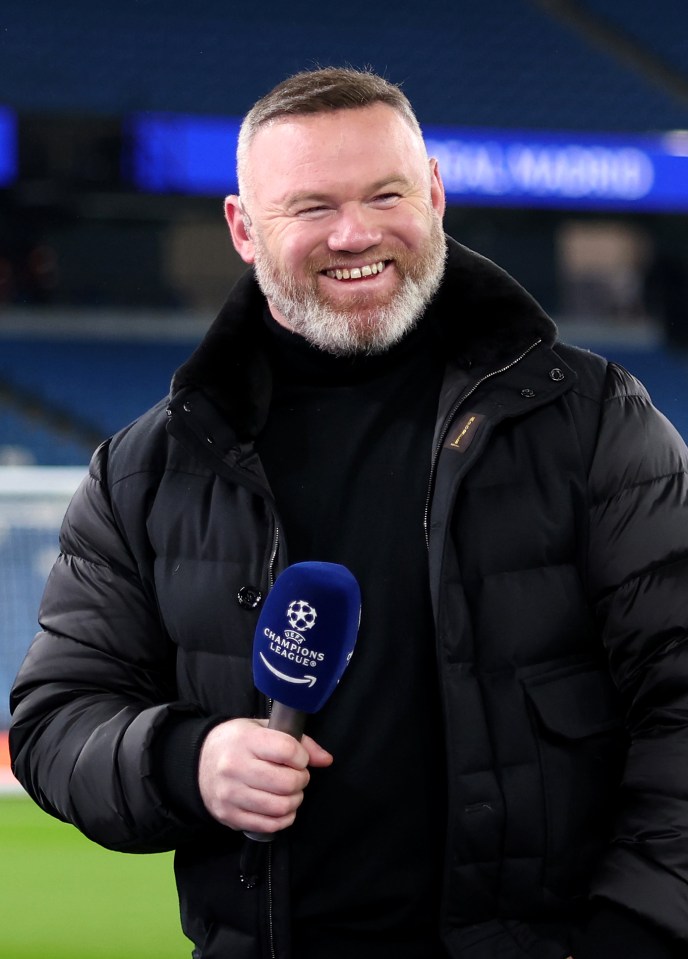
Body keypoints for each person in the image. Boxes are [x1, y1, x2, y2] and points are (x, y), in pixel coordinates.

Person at [9, 67, 688, 959]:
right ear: (244, 229)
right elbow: (56, 718)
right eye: (312, 206)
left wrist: (632, 933)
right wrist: (190, 758)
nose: (356, 233)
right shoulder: (146, 470)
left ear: (436, 196)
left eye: (386, 194)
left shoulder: (595, 420)